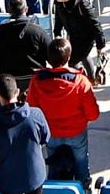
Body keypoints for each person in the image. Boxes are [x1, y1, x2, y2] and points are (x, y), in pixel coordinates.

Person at [28, 38, 98, 185]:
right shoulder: (81, 81)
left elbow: (32, 109)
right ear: (69, 56)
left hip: (50, 133)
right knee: (81, 162)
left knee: (54, 165)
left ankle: (54, 192)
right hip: (76, 132)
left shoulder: (37, 80)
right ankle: (84, 189)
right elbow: (93, 114)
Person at [0, 74, 50, 194]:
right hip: (34, 176)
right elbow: (45, 138)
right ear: (17, 91)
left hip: (8, 181)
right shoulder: (36, 115)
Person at [0, 0, 49, 98]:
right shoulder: (38, 31)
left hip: (8, 83)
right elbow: (50, 55)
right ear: (26, 9)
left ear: (9, 10)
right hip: (34, 81)